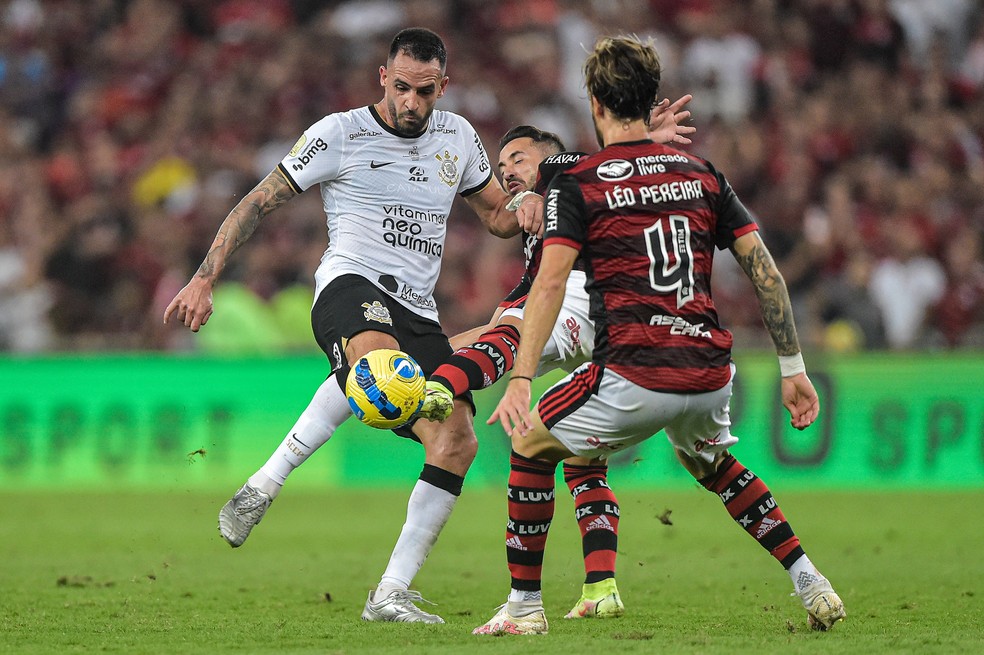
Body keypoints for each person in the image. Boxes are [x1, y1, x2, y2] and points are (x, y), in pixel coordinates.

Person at [163, 27, 541, 624]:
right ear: (381, 78)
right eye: (400, 88)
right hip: (350, 285)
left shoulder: (458, 137)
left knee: (458, 440)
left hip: (418, 307)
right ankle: (268, 484)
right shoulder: (339, 134)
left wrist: (525, 209)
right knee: (381, 368)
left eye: (424, 91)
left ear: (444, 85)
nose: (411, 102)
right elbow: (260, 199)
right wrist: (205, 276)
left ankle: (389, 594)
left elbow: (495, 215)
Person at [472, 35, 846, 636]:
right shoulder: (701, 173)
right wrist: (793, 367)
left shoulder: (582, 182)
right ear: (647, 101)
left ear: (595, 102)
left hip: (633, 370)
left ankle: (523, 608)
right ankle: (810, 578)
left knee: (530, 444)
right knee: (714, 464)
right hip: (708, 370)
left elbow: (548, 285)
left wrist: (520, 377)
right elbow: (764, 271)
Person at [422, 106, 694, 620]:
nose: (507, 171)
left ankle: (431, 392)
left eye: (517, 158)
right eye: (501, 167)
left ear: (547, 156)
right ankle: (601, 589)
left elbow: (576, 170)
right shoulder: (548, 199)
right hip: (607, 330)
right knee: (580, 458)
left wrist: (538, 187)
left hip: (585, 307)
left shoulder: (564, 172)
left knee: (510, 335)